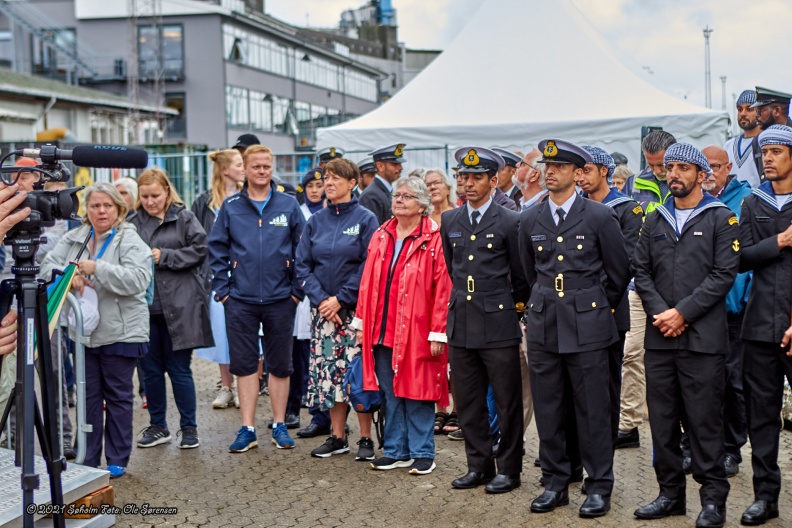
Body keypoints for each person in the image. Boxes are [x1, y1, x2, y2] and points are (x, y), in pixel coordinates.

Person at [519, 139, 629, 518]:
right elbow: (528, 273)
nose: (550, 171)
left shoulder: (598, 216)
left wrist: (592, 306)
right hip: (546, 322)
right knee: (549, 406)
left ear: (577, 173)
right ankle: (555, 482)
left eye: (560, 166)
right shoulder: (530, 219)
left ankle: (598, 486)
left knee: (593, 409)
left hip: (589, 324)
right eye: (547, 165)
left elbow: (617, 273)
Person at [632, 143, 738, 528]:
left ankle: (712, 501)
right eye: (670, 167)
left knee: (704, 422)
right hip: (661, 338)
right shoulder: (654, 220)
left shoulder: (720, 218)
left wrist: (683, 313)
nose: (673, 173)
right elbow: (640, 271)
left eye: (681, 167)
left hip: (702, 341)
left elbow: (723, 275)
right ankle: (670, 495)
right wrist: (663, 312)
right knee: (662, 422)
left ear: (699, 174)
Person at [40, 182, 152, 479]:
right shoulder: (75, 236)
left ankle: (117, 458)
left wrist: (96, 268)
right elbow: (46, 266)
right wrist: (69, 275)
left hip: (122, 332)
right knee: (88, 396)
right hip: (84, 334)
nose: (101, 211)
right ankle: (87, 458)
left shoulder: (129, 238)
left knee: (116, 396)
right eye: (95, 205)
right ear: (85, 210)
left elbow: (139, 279)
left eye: (107, 206)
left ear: (119, 209)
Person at [443, 147, 529, 494]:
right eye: (465, 177)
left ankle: (509, 469)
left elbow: (522, 275)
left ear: (494, 181)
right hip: (462, 320)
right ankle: (477, 465)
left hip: (498, 323)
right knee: (468, 401)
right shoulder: (450, 220)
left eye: (478, 177)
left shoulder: (511, 220)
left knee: (507, 403)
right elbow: (454, 269)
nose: (469, 183)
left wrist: (515, 313)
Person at [209, 144, 306, 452]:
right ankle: (247, 428)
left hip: (281, 299)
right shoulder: (231, 206)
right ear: (246, 170)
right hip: (241, 300)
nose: (262, 171)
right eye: (256, 166)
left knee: (280, 364)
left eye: (266, 166)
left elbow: (303, 251)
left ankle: (279, 425)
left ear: (271, 167)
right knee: (245, 364)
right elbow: (216, 249)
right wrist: (224, 292)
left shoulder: (288, 205)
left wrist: (296, 292)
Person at [353, 176, 452, 475]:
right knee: (390, 392)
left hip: (417, 331)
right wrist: (361, 324)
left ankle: (423, 452)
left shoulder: (434, 238)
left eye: (407, 196)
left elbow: (443, 289)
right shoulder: (382, 234)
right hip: (382, 329)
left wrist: (438, 332)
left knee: (418, 390)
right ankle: (396, 451)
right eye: (397, 195)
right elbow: (367, 282)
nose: (399, 200)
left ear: (422, 205)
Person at [295, 158, 379, 459]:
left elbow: (371, 264)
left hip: (354, 313)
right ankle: (337, 436)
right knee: (329, 375)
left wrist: (341, 298)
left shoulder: (366, 219)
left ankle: (366, 438)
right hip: (324, 314)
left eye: (335, 178)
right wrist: (321, 300)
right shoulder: (315, 221)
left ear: (352, 183)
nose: (328, 183)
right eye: (325, 178)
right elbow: (302, 266)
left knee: (357, 374)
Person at [131, 168, 212, 450]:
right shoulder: (132, 221)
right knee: (150, 371)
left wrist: (165, 256)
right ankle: (157, 426)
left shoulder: (184, 217)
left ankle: (189, 428)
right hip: (144, 307)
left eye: (155, 195)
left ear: (167, 190)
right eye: (145, 197)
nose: (150, 201)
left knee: (179, 370)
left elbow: (201, 250)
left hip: (181, 305)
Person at [737, 124, 792, 526]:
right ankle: (765, 497)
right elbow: (740, 258)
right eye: (763, 152)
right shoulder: (753, 202)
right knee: (761, 415)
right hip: (758, 326)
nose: (767, 158)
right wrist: (780, 242)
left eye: (775, 151)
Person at [616, 130, 678, 450]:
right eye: (652, 164)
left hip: (679, 287)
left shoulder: (686, 180)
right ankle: (628, 424)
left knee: (680, 359)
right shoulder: (634, 184)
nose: (658, 171)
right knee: (631, 354)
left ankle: (682, 427)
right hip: (640, 284)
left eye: (663, 164)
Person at [578, 145, 642, 444]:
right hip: (574, 311)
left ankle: (602, 442)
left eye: (587, 170)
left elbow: (625, 264)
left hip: (609, 309)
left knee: (607, 382)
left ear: (605, 171)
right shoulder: (575, 208)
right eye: (578, 171)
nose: (580, 177)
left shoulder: (628, 209)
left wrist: (592, 299)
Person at [702, 145, 753, 479]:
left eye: (715, 166)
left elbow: (748, 255)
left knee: (733, 380)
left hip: (733, 307)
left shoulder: (745, 200)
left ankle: (732, 449)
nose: (709, 172)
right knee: (703, 381)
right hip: (701, 307)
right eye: (703, 167)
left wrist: (741, 298)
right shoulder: (692, 202)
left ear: (728, 167)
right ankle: (701, 444)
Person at [193, 149, 245, 409]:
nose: (243, 168)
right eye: (239, 164)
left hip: (248, 276)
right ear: (225, 170)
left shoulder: (249, 197)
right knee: (222, 333)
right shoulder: (205, 203)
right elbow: (195, 239)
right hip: (217, 277)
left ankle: (248, 385)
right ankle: (226, 386)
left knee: (249, 334)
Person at [421, 168, 459, 435]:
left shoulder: (457, 216)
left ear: (447, 187)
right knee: (434, 356)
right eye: (427, 184)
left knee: (455, 357)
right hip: (427, 296)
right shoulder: (421, 220)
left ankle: (458, 410)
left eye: (437, 183)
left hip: (455, 292)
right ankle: (439, 409)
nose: (433, 187)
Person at [749, 87, 792, 181]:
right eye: (756, 111)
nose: (756, 115)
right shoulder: (757, 141)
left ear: (777, 111)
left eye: (760, 110)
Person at [723, 90, 762, 189]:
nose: (743, 114)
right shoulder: (728, 145)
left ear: (759, 112)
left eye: (749, 109)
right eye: (740, 110)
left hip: (758, 201)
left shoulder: (765, 143)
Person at [359, 144, 405, 224]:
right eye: (395, 164)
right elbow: (373, 232)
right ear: (380, 166)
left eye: (400, 164)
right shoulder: (371, 195)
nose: (400, 168)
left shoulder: (386, 191)